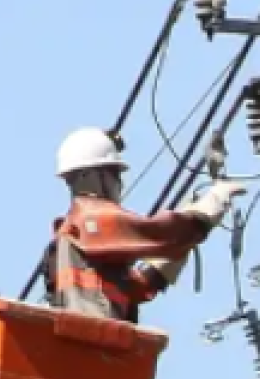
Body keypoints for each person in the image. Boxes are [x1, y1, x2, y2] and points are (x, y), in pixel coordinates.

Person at [48, 126, 243, 322]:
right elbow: (164, 235)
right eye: (114, 173)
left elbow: (137, 287)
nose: (120, 183)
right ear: (87, 176)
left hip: (88, 334)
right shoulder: (91, 219)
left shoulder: (71, 239)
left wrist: (177, 249)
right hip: (95, 333)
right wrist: (213, 201)